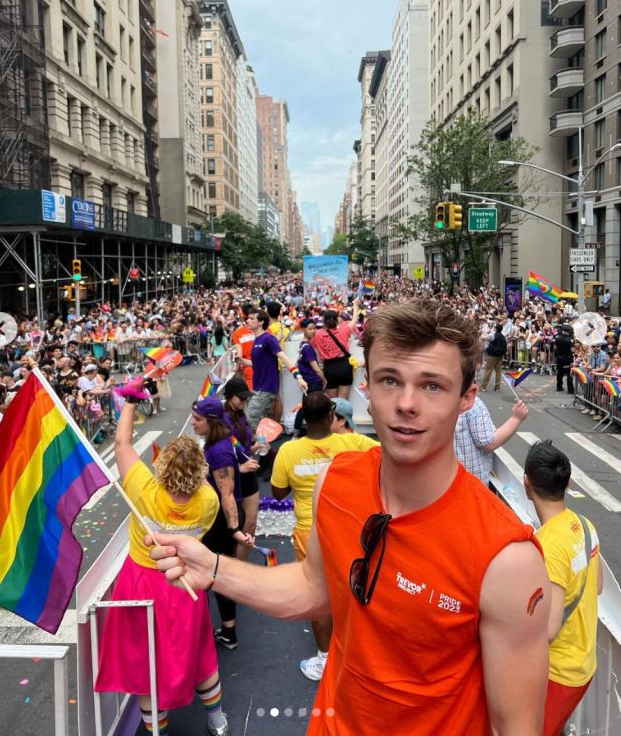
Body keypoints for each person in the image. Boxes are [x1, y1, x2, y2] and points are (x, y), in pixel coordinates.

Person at [150, 299, 550, 735]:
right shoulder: (335, 482)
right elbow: (312, 588)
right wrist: (211, 567)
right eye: (389, 380)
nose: (407, 404)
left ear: (467, 398)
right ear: (367, 388)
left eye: (432, 385)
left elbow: (517, 726)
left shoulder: (507, 558)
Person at [94, 379, 229, 736]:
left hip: (141, 582)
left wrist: (131, 401)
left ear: (163, 467)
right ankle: (218, 721)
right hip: (184, 582)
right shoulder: (208, 501)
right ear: (199, 474)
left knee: (145, 666)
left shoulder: (143, 488)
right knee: (199, 655)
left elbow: (122, 443)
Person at [271, 392, 379, 681]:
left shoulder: (288, 452)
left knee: (317, 595)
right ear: (332, 417)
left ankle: (324, 660)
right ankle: (355, 655)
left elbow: (278, 493)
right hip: (348, 528)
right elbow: (384, 450)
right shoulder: (350, 443)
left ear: (304, 419)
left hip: (309, 532)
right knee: (351, 589)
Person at [523, 440, 603, 736]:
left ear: (526, 482)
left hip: (557, 673)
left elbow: (549, 629)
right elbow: (597, 587)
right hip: (584, 664)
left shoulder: (546, 545)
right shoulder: (584, 525)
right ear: (567, 483)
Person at [191, 396, 254, 650]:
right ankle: (227, 632)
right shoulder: (218, 443)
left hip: (220, 521)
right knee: (218, 573)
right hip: (218, 518)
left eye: (198, 419)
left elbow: (226, 494)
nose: (193, 423)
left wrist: (234, 530)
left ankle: (221, 633)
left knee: (212, 574)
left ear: (212, 421)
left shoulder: (218, 451)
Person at [245, 307, 307, 432]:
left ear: (261, 322)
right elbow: (256, 363)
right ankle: (262, 446)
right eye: (248, 318)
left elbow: (284, 358)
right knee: (257, 421)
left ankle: (258, 445)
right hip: (258, 387)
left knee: (250, 419)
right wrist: (242, 361)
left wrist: (298, 377)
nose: (247, 321)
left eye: (251, 318)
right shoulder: (257, 340)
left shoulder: (269, 338)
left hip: (266, 388)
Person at [222, 376, 260, 560]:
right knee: (233, 528)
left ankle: (240, 566)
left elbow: (241, 445)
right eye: (241, 398)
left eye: (246, 398)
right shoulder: (222, 419)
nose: (245, 402)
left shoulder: (239, 414)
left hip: (248, 471)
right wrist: (239, 467)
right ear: (230, 396)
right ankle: (232, 568)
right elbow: (222, 454)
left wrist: (254, 447)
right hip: (232, 475)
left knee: (251, 525)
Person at [454, 396, 529, 485]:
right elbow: (488, 442)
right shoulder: (473, 403)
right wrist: (516, 419)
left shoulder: (439, 398)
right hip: (470, 482)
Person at [311, 300, 360, 399]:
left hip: (329, 368)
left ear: (324, 322)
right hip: (344, 366)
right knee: (343, 401)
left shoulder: (317, 334)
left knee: (332, 402)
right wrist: (355, 304)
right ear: (337, 321)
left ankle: (333, 415)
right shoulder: (344, 329)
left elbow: (311, 342)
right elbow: (355, 318)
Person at [480, 322, 507, 392]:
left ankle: (483, 386)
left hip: (492, 355)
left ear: (495, 329)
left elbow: (482, 337)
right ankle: (497, 387)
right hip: (500, 355)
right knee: (498, 371)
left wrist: (487, 332)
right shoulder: (503, 336)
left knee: (488, 371)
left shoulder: (492, 335)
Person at [554, 319, 575, 395]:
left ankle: (559, 386)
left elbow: (555, 347)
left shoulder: (557, 337)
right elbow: (572, 350)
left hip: (559, 357)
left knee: (560, 372)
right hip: (568, 358)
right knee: (569, 374)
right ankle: (570, 389)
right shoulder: (571, 340)